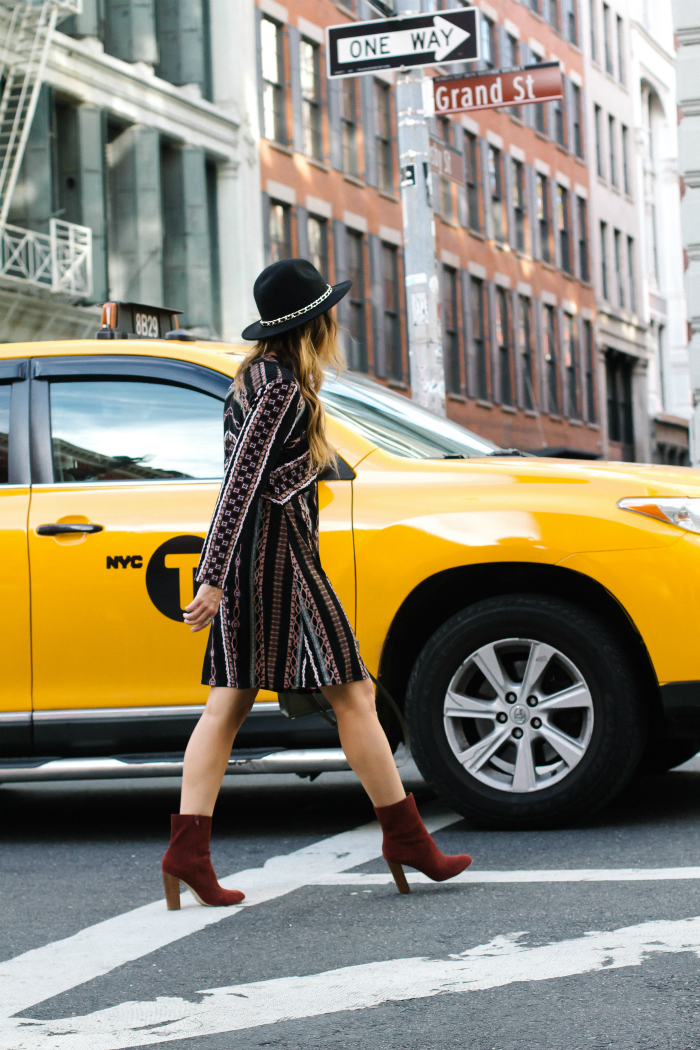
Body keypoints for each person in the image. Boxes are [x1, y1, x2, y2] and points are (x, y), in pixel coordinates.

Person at [161, 259, 472, 908]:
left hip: (268, 565)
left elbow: (267, 478)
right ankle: (405, 838)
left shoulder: (260, 378)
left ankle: (188, 852)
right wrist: (211, 578)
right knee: (353, 694)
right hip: (278, 570)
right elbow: (240, 485)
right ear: (314, 321)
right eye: (331, 311)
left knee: (231, 705)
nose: (337, 320)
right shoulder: (276, 388)